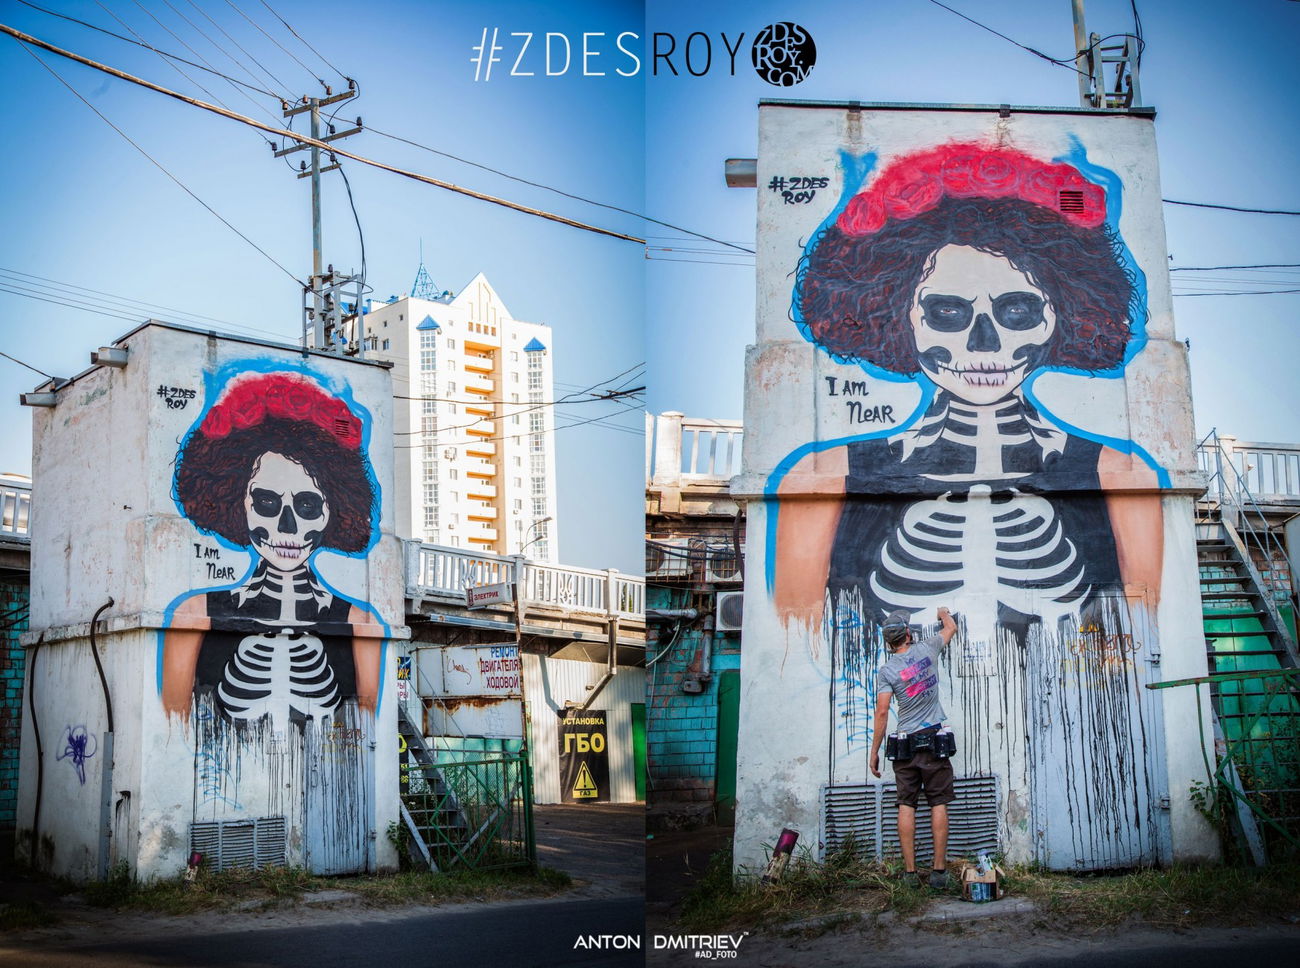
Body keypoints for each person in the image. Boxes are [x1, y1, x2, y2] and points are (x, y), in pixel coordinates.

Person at [774, 142, 1163, 644]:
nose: (985, 345)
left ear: (1056, 319)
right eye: (948, 313)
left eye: (1016, 311)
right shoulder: (821, 480)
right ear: (902, 320)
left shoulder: (1120, 476)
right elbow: (793, 646)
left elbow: (1152, 637)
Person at [161, 371, 381, 724]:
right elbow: (172, 724)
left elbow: (369, 725)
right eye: (267, 502)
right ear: (238, 504)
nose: (287, 528)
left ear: (332, 513)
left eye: (307, 506)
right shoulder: (195, 613)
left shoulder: (359, 622)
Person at [869, 606, 958, 888]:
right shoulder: (927, 649)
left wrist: (874, 752)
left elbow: (882, 712)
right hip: (934, 740)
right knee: (938, 803)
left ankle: (909, 874)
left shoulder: (887, 670)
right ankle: (939, 873)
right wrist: (943, 613)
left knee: (906, 804)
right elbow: (951, 628)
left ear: (888, 641)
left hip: (904, 743)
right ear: (907, 633)